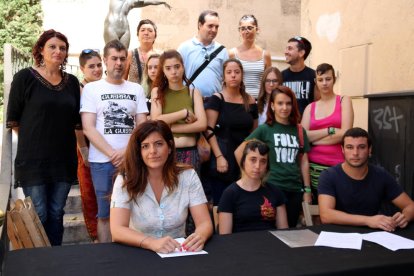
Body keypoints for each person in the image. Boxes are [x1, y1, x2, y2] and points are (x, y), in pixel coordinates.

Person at [6, 29, 81, 245]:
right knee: (39, 213)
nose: (58, 51)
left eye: (62, 48)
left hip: (64, 160)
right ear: (41, 49)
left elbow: (76, 122)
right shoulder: (24, 78)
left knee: (57, 212)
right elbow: (14, 120)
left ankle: (54, 258)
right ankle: (39, 262)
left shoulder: (73, 83)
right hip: (33, 161)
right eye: (53, 46)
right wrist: (35, 142)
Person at [80, 39, 148, 243]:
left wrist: (127, 154)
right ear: (105, 60)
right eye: (114, 58)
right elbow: (88, 127)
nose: (118, 63)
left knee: (135, 214)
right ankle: (106, 260)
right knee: (104, 215)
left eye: (122, 58)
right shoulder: (92, 89)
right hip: (102, 163)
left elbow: (142, 127)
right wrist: (112, 154)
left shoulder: (136, 89)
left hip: (133, 162)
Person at [110, 120, 213, 253]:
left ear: (169, 147)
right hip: (138, 252)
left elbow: (204, 222)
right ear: (138, 152)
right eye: (145, 146)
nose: (152, 151)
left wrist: (200, 236)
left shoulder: (188, 176)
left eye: (158, 144)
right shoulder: (125, 179)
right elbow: (117, 229)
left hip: (176, 253)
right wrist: (151, 243)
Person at [235, 86, 312, 228]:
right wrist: (248, 176)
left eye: (288, 103)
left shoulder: (299, 130)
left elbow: (304, 161)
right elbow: (239, 151)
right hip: (272, 188)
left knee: (290, 234)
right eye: (280, 103)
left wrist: (307, 190)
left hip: (294, 190)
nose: (284, 107)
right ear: (272, 105)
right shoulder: (265, 129)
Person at [318, 127, 414, 231]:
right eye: (350, 147)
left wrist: (404, 217)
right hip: (337, 237)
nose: (355, 153)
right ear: (342, 150)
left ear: (369, 149)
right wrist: (368, 220)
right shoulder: (328, 175)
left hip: (372, 237)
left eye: (361, 147)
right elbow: (326, 215)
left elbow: (410, 206)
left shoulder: (380, 175)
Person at [204, 58, 258, 205]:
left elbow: (254, 133)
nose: (233, 75)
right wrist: (219, 157)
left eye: (237, 72)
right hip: (222, 158)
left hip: (243, 160)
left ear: (242, 75)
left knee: (242, 204)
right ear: (224, 77)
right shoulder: (217, 99)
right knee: (221, 205)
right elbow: (208, 130)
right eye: (229, 72)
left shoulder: (250, 101)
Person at [301, 63, 354, 202]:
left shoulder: (344, 101)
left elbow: (345, 134)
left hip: (338, 167)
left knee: (339, 210)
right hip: (313, 170)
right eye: (320, 79)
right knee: (318, 216)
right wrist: (329, 131)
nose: (324, 83)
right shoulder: (309, 108)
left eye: (328, 79)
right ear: (315, 81)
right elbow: (303, 136)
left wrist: (314, 139)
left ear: (334, 79)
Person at [150, 50, 206, 174]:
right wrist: (183, 113)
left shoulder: (193, 92)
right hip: (165, 154)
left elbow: (202, 124)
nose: (173, 72)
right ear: (163, 71)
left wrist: (171, 127)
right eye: (168, 68)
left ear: (183, 67)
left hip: (190, 152)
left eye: (177, 67)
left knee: (190, 192)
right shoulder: (157, 92)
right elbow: (155, 120)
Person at [218, 140, 288, 234]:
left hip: (271, 245)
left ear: (267, 166)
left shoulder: (275, 192)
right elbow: (224, 238)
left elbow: (284, 233)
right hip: (241, 245)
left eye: (263, 161)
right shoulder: (230, 193)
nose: (257, 166)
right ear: (243, 162)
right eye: (253, 160)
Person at [75, 49, 103, 242]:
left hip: (106, 147)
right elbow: (77, 123)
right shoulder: (79, 89)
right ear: (82, 69)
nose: (97, 69)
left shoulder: (104, 86)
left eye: (99, 65)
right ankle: (94, 237)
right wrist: (83, 149)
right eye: (91, 66)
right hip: (86, 146)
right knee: (89, 194)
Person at [178, 10, 229, 98]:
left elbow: (226, 80)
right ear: (200, 25)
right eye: (210, 26)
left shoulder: (222, 51)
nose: (214, 30)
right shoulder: (184, 48)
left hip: (214, 103)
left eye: (216, 27)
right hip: (189, 100)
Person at [228, 14, 271, 99]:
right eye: (243, 28)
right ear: (239, 31)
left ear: (257, 29)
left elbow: (268, 82)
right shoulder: (232, 54)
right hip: (239, 102)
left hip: (259, 103)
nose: (246, 31)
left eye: (250, 28)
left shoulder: (265, 55)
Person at [103, 0, 171, 49]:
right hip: (112, 25)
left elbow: (147, 2)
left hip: (125, 28)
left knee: (124, 54)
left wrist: (161, 2)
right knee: (113, 53)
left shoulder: (130, 2)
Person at [282, 36, 316, 115]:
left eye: (290, 48)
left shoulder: (314, 76)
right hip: (286, 124)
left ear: (301, 53)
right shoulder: (281, 76)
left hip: (307, 125)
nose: (285, 52)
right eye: (286, 48)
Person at [123, 19, 162, 83]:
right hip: (134, 92)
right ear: (138, 35)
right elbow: (123, 79)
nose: (146, 33)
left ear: (155, 36)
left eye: (150, 30)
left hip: (155, 92)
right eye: (142, 30)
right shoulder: (130, 55)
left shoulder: (161, 55)